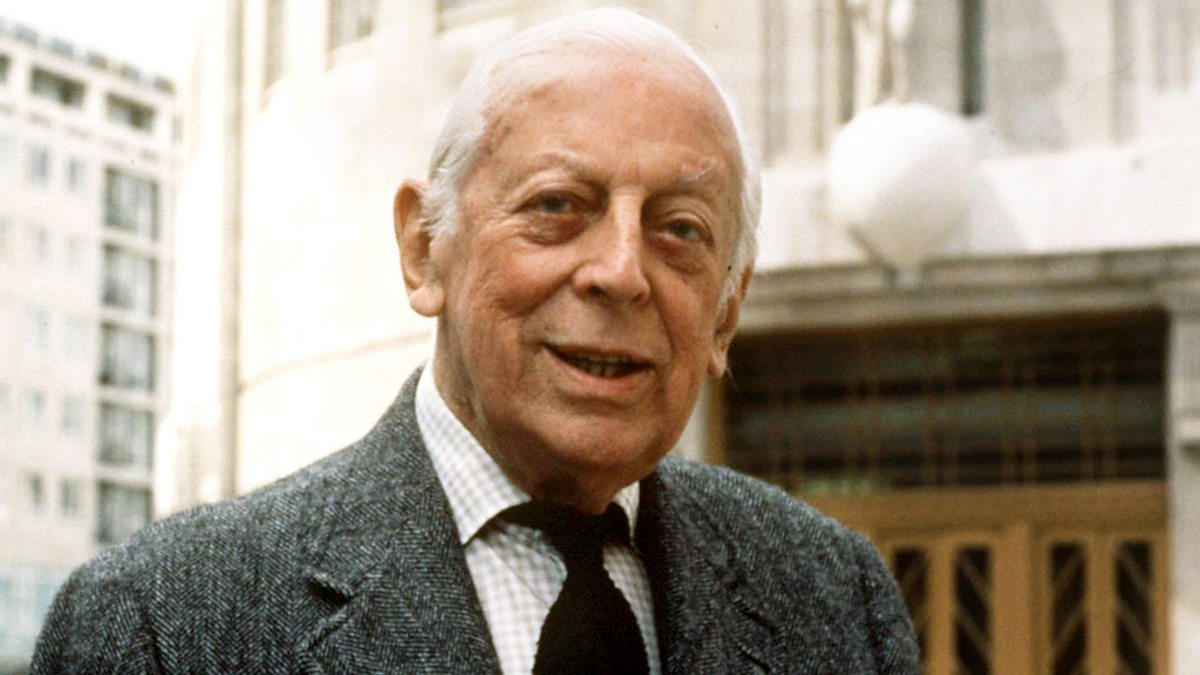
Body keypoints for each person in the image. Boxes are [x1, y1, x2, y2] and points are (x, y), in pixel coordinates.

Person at [32, 8, 919, 674]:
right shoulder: (163, 624)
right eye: (557, 206)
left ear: (724, 314)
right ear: (425, 250)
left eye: (679, 228)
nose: (622, 271)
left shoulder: (833, 594)